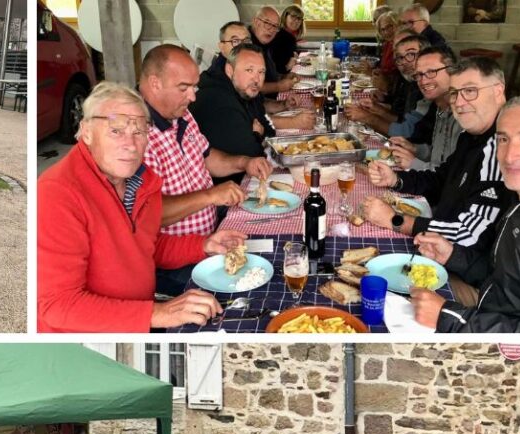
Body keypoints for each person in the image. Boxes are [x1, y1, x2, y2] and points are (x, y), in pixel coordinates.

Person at [37, 82, 238, 333]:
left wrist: (204, 245)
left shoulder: (142, 181)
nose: (130, 144)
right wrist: (158, 313)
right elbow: (57, 305)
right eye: (116, 130)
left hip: (136, 319)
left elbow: (146, 246)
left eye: (140, 131)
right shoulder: (57, 193)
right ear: (86, 131)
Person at [411, 94, 520, 332]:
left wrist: (448, 317)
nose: (509, 155)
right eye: (503, 139)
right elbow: (505, 278)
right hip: (487, 307)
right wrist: (452, 255)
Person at [138, 44, 270, 295]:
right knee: (250, 289)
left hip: (209, 237)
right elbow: (149, 213)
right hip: (173, 265)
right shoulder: (136, 135)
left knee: (271, 249)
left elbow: (207, 157)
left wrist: (244, 163)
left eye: (194, 87)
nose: (193, 97)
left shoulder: (182, 114)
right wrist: (211, 195)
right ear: (155, 83)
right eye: (184, 88)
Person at [362, 58, 514, 249]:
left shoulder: (501, 147)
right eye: (454, 93)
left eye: (469, 91)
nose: (459, 102)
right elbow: (442, 180)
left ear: (498, 90)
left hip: (459, 263)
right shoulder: (470, 135)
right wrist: (395, 179)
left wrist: (396, 221)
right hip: (437, 233)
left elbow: (471, 235)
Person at [191, 44, 314, 186]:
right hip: (224, 189)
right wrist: (258, 135)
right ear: (230, 70)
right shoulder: (219, 102)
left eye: (261, 72)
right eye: (249, 70)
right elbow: (255, 155)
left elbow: (269, 128)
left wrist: (258, 134)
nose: (256, 79)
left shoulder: (247, 90)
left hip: (242, 177)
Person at [386, 46, 463, 171]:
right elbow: (439, 156)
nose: (423, 81)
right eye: (419, 75)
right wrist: (415, 149)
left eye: (432, 72)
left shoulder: (463, 115)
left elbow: (453, 176)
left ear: (452, 71)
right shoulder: (440, 108)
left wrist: (413, 163)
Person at [250, 6, 299, 97]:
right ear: (256, 22)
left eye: (275, 26)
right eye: (268, 23)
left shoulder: (265, 43)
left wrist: (283, 77)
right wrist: (278, 86)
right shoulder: (247, 45)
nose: (272, 30)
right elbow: (248, 87)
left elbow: (270, 75)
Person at [269, 5, 305, 75]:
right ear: (285, 17)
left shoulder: (290, 36)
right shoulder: (280, 36)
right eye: (293, 17)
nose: (296, 21)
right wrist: (287, 66)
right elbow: (275, 67)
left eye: (299, 18)